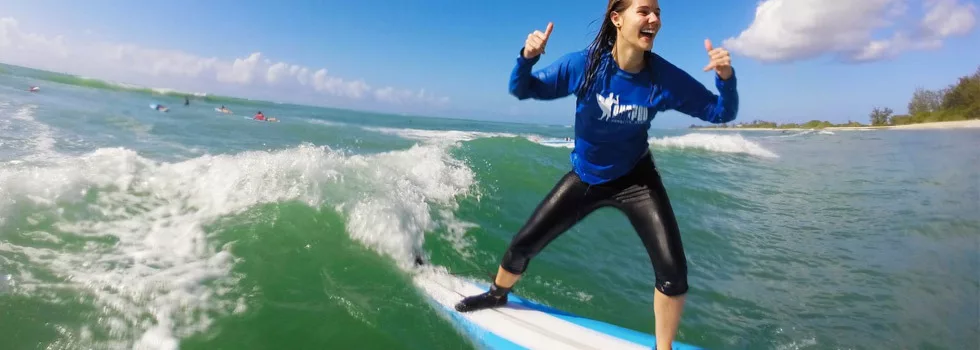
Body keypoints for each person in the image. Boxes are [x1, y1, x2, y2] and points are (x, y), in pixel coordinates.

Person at [452, 0, 738, 349]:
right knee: (522, 245)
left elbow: (720, 111)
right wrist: (527, 58)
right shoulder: (584, 65)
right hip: (586, 176)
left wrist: (725, 78)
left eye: (658, 13)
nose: (654, 19)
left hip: (637, 180)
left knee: (673, 273)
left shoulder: (662, 77)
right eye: (645, 10)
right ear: (617, 19)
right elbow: (524, 89)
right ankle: (498, 295)